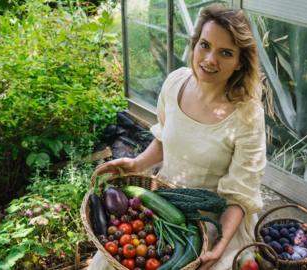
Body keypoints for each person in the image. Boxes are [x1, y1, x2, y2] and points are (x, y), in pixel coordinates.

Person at [91, 4, 266, 270]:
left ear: (240, 61)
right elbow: (164, 139)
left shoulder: (247, 116)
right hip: (164, 202)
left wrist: (219, 247)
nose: (209, 60)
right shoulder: (175, 83)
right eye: (204, 45)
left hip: (214, 219)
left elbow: (239, 197)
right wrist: (137, 164)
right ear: (194, 44)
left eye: (226, 53)